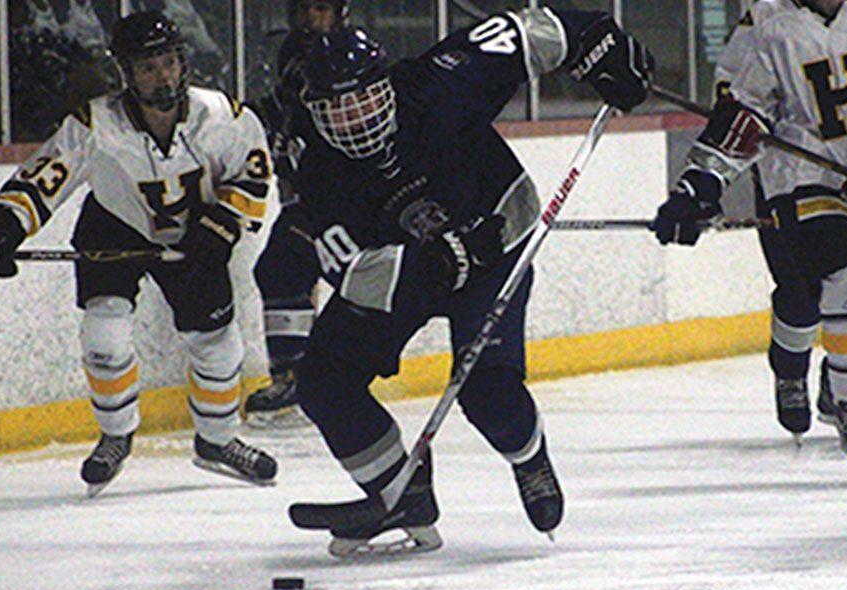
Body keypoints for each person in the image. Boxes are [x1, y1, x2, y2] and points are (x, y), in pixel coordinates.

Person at [272, 8, 652, 555]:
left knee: (488, 391)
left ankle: (529, 458)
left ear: (389, 83)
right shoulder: (312, 163)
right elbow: (352, 272)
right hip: (411, 275)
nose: (355, 118)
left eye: (364, 98)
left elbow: (530, 30)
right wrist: (438, 261)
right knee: (324, 379)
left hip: (497, 248)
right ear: (314, 112)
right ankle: (402, 494)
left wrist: (596, 42)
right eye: (337, 108)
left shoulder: (437, 81)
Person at [0, 10, 278, 496]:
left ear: (183, 63)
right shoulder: (97, 122)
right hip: (114, 227)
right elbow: (46, 177)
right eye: (147, 67)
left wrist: (222, 224)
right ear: (126, 73)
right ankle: (115, 436)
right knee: (105, 339)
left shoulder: (223, 116)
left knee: (219, 348)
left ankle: (217, 443)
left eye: (168, 63)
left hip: (194, 236)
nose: (162, 75)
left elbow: (253, 172)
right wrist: (7, 226)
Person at [652, 0, 847, 473]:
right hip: (801, 178)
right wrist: (699, 186)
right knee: (835, 281)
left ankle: (840, 377)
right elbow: (743, 111)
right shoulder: (767, 22)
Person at [713, 0, 839, 440]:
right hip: (788, 180)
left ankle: (842, 378)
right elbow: (732, 92)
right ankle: (790, 370)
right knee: (801, 298)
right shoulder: (767, 17)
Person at [244, 0, 350, 428]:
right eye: (304, 9)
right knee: (284, 268)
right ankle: (297, 376)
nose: (310, 19)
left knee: (354, 283)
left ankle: (314, 375)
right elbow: (289, 110)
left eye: (320, 9)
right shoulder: (293, 52)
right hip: (313, 197)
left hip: (351, 196)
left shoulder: (346, 53)